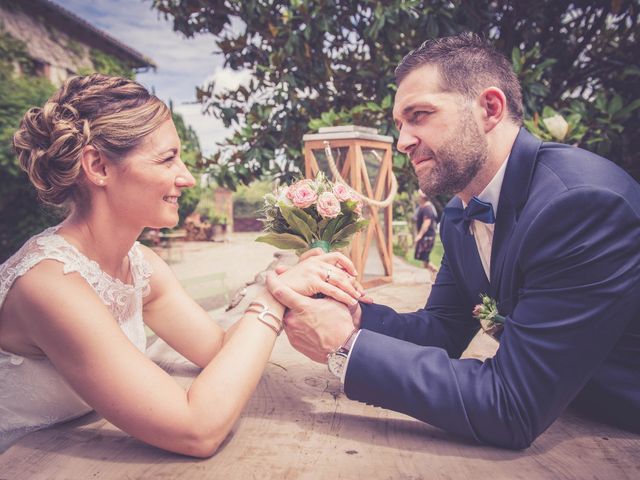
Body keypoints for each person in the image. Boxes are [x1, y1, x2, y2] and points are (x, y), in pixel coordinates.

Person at [266, 33, 640, 449]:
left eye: (420, 115)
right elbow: (442, 329)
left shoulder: (582, 205)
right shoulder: (460, 216)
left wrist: (345, 347)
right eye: (400, 125)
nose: (403, 140)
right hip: (575, 417)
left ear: (490, 109)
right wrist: (353, 314)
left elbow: (512, 404)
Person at [0, 74, 364, 456]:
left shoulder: (141, 265)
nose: (187, 177)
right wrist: (276, 297)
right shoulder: (49, 284)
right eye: (168, 158)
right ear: (98, 167)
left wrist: (286, 281)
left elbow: (218, 350)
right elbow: (196, 430)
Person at [413, 191, 438, 275]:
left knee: (424, 259)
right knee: (424, 260)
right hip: (426, 237)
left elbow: (426, 222)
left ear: (423, 197)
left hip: (427, 237)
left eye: (419, 196)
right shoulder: (423, 207)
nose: (418, 197)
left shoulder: (427, 208)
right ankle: (435, 275)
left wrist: (419, 236)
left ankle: (437, 274)